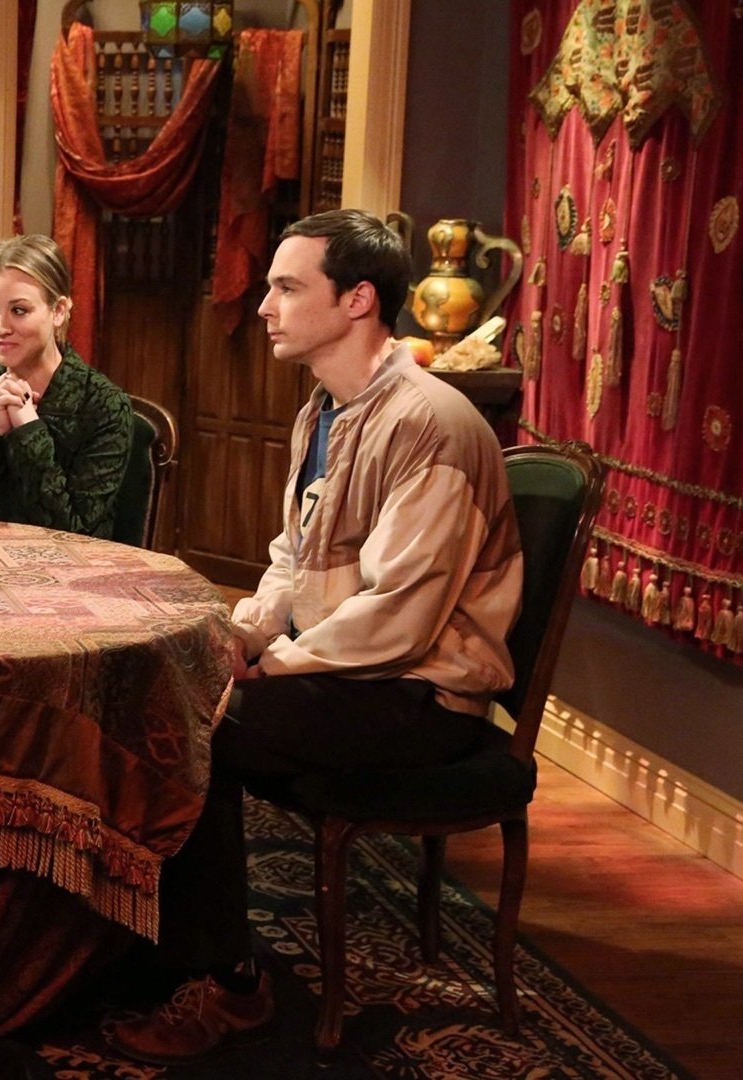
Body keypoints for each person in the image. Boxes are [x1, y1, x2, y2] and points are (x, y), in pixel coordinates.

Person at [111, 209, 524, 1064]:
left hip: (423, 694)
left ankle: (230, 984)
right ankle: (144, 940)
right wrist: (247, 632)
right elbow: (294, 557)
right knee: (174, 694)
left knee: (197, 729)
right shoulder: (323, 411)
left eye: (287, 287)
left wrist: (276, 665)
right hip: (352, 673)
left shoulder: (431, 424)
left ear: (358, 299)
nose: (264, 305)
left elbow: (401, 613)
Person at [0, 233, 135, 538]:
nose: (0, 327)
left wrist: (29, 430)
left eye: (19, 310)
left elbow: (77, 535)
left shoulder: (103, 406)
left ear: (58, 311)